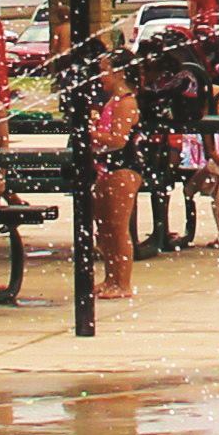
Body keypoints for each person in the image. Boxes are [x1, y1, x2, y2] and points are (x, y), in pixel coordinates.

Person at [89, 64, 143, 300]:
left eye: (105, 71)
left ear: (120, 73)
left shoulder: (127, 102)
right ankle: (111, 277)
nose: (101, 76)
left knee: (119, 229)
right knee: (106, 228)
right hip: (106, 168)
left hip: (124, 169)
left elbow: (119, 140)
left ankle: (123, 282)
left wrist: (90, 134)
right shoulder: (113, 101)